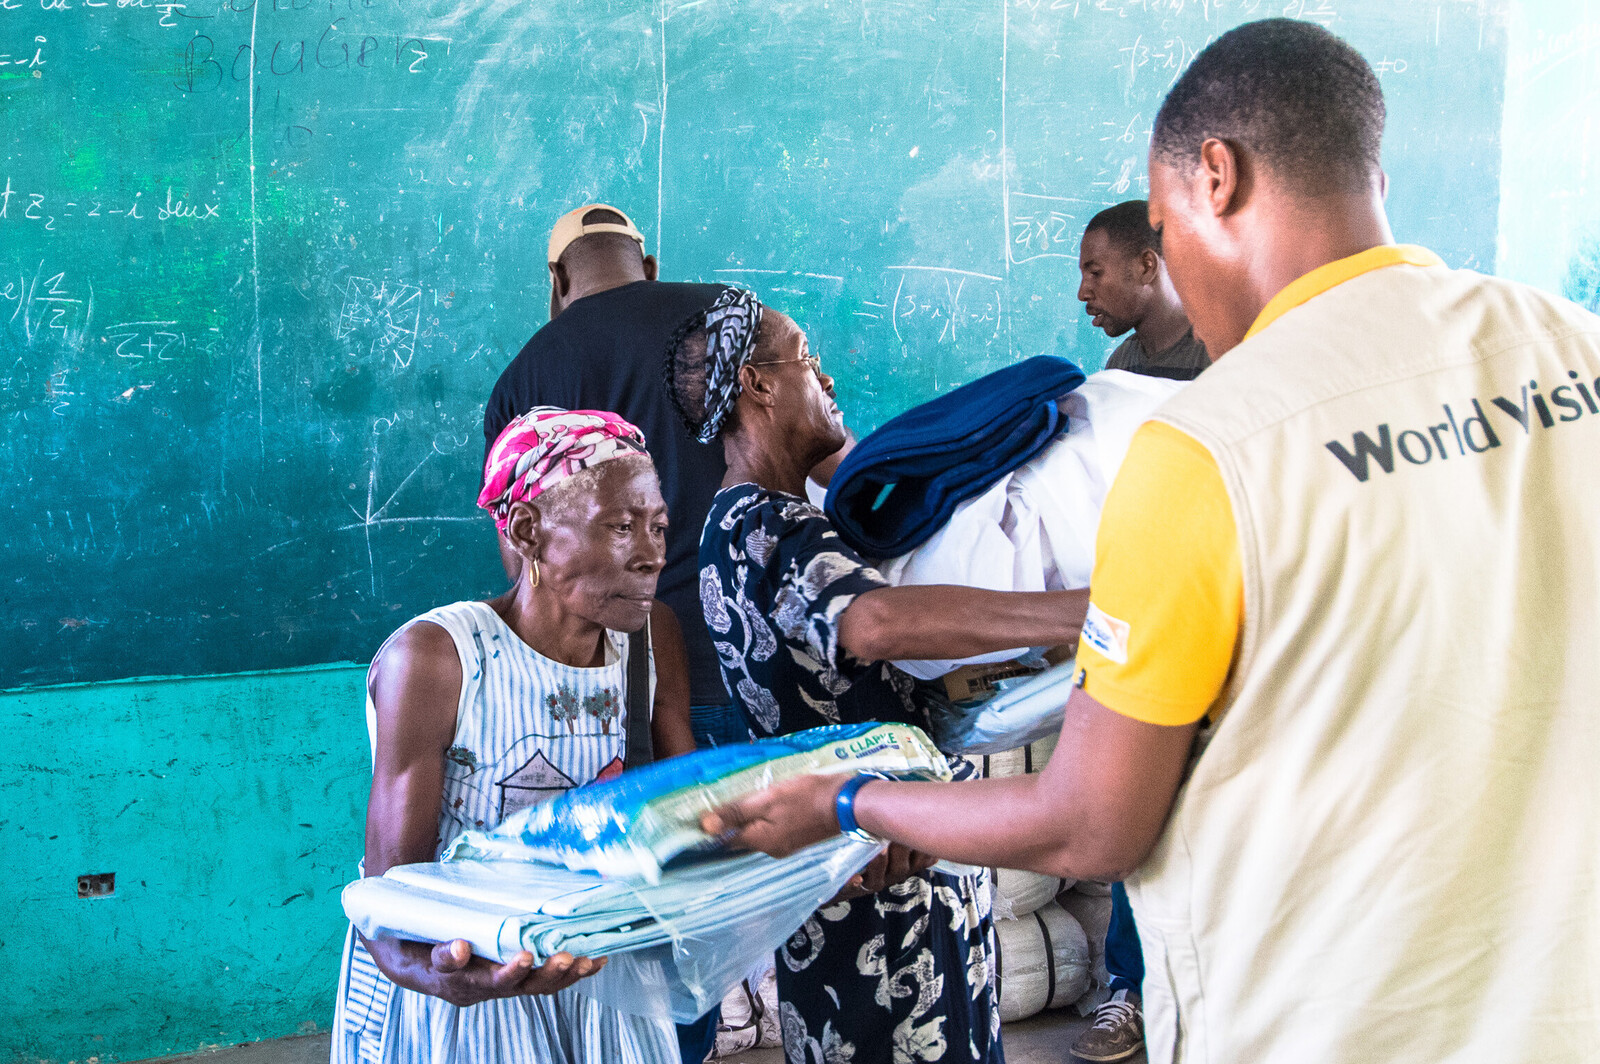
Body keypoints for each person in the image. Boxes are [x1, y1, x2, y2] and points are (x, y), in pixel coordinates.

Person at [703, 19, 1600, 1064]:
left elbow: (1091, 823)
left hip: (1325, 1020)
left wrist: (848, 797)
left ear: (1214, 177)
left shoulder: (1209, 447)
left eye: (1161, 231)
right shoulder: (1568, 347)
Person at [666, 287, 1090, 1064]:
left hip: (867, 862)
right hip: (878, 878)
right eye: (808, 362)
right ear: (759, 384)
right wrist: (1087, 611)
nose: (825, 382)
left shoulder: (752, 522)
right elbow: (875, 622)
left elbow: (856, 666)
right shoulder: (766, 521)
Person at [332, 408, 683, 1064]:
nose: (652, 553)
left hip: (598, 967)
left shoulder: (649, 638)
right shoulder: (437, 658)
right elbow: (391, 898)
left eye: (658, 526)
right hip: (472, 980)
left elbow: (688, 810)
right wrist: (440, 976)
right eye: (621, 526)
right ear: (529, 530)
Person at [483, 204, 742, 754]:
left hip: (634, 676)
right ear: (648, 266)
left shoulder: (521, 382)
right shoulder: (729, 319)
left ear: (557, 280)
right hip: (773, 651)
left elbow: (524, 564)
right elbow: (828, 458)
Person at [1078, 200, 1209, 380]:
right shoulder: (1121, 364)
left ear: (1146, 267)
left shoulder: (1218, 353)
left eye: (1095, 273)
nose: (1082, 294)